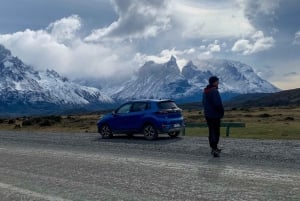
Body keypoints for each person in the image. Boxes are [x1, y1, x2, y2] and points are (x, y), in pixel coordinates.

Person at [202, 76, 224, 157]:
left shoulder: (205, 91)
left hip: (208, 115)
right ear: (214, 82)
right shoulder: (214, 91)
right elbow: (217, 103)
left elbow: (203, 103)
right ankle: (215, 149)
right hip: (215, 115)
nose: (218, 83)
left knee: (211, 132)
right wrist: (221, 112)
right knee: (216, 132)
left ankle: (213, 148)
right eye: (217, 81)